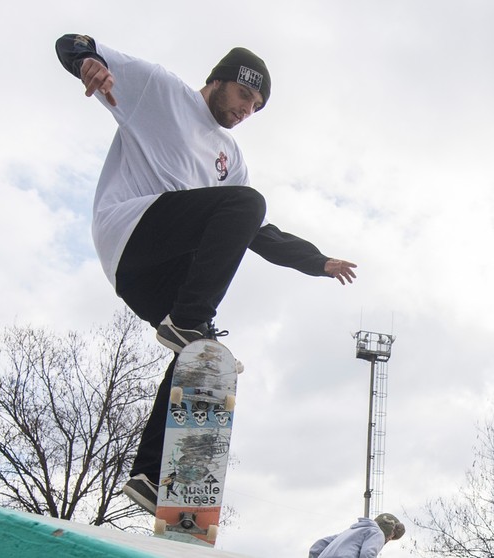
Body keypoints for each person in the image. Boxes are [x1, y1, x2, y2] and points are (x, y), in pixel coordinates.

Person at [54, 34, 358, 513]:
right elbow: (74, 41)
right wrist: (86, 63)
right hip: (129, 230)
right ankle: (188, 319)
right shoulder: (160, 91)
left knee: (204, 355)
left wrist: (316, 262)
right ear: (218, 80)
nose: (245, 112)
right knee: (243, 209)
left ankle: (153, 477)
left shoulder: (229, 157)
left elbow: (254, 229)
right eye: (243, 96)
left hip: (152, 276)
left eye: (256, 107)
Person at [309, 513, 405, 558]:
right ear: (389, 530)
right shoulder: (378, 533)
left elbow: (317, 546)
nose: (388, 540)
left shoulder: (350, 531)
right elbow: (367, 554)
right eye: (391, 536)